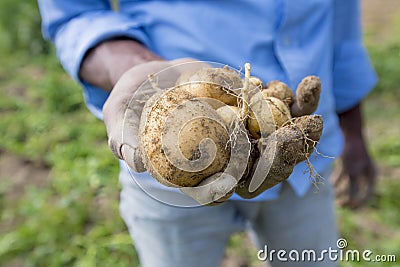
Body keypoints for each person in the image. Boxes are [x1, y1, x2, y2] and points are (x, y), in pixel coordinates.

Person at [38, 0, 377, 266]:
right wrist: (135, 66)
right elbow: (73, 13)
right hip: (173, 169)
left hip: (301, 154)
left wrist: (354, 132)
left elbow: (342, 25)